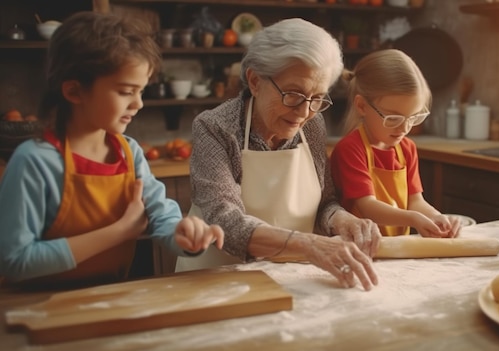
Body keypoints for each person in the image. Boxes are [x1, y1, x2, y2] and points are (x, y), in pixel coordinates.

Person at [0, 11, 224, 288]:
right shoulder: (34, 162)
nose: (138, 104)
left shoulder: (129, 153)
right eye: (126, 91)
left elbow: (160, 214)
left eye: (141, 91)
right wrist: (118, 233)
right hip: (37, 310)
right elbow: (15, 261)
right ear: (74, 91)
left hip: (107, 299)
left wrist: (185, 235)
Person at [185, 18, 380, 291]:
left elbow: (324, 203)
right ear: (254, 81)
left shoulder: (312, 125)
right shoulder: (215, 127)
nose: (303, 112)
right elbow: (225, 221)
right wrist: (309, 244)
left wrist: (341, 220)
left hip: (287, 281)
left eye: (317, 98)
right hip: (217, 281)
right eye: (293, 94)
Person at [330, 49, 462, 238]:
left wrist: (437, 217)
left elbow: (415, 201)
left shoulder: (407, 148)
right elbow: (368, 207)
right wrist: (414, 219)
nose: (404, 128)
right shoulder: (351, 149)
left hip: (398, 249)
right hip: (357, 247)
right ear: (361, 106)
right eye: (393, 118)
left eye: (413, 117)